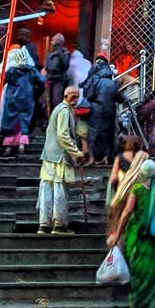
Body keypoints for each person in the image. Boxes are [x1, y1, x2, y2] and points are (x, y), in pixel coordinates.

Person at [106, 159, 155, 308]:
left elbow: (127, 212)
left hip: (139, 240)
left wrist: (117, 234)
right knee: (154, 279)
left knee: (137, 278)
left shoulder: (136, 189)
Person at [37, 85, 85, 236]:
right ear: (66, 96)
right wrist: (76, 153)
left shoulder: (59, 109)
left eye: (77, 97)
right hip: (59, 156)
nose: (76, 100)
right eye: (73, 96)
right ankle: (59, 226)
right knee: (59, 190)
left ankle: (44, 225)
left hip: (49, 154)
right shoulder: (64, 111)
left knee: (46, 189)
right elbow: (63, 135)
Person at [81, 54, 122, 165]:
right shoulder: (113, 83)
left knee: (94, 134)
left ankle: (92, 158)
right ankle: (106, 157)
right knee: (108, 134)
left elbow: (89, 95)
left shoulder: (95, 80)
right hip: (110, 111)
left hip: (96, 110)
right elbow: (119, 98)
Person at [107, 135, 149, 236]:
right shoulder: (144, 156)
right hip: (139, 192)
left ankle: (118, 235)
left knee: (121, 215)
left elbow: (113, 178)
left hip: (123, 192)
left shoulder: (120, 158)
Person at [45, 33, 70, 117]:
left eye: (53, 40)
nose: (51, 42)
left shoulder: (64, 53)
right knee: (48, 103)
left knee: (56, 102)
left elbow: (65, 66)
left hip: (58, 81)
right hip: (50, 80)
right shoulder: (50, 53)